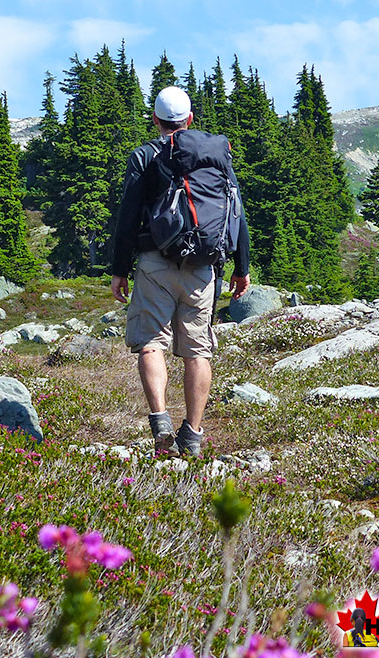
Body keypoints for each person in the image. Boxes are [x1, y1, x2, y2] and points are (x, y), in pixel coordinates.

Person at [109, 86, 250, 456]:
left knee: (151, 343)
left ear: (155, 119)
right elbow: (237, 211)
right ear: (189, 120)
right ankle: (193, 434)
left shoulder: (144, 156)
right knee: (197, 351)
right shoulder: (216, 158)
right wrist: (242, 268)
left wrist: (120, 268)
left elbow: (128, 216)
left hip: (155, 262)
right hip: (203, 266)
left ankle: (160, 421)